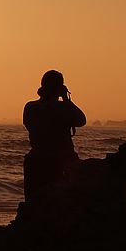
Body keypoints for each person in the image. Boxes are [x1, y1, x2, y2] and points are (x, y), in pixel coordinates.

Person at [22, 70, 86, 202]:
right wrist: (66, 99)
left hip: (35, 161)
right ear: (60, 88)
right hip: (60, 160)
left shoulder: (30, 107)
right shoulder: (62, 108)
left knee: (34, 203)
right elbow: (81, 120)